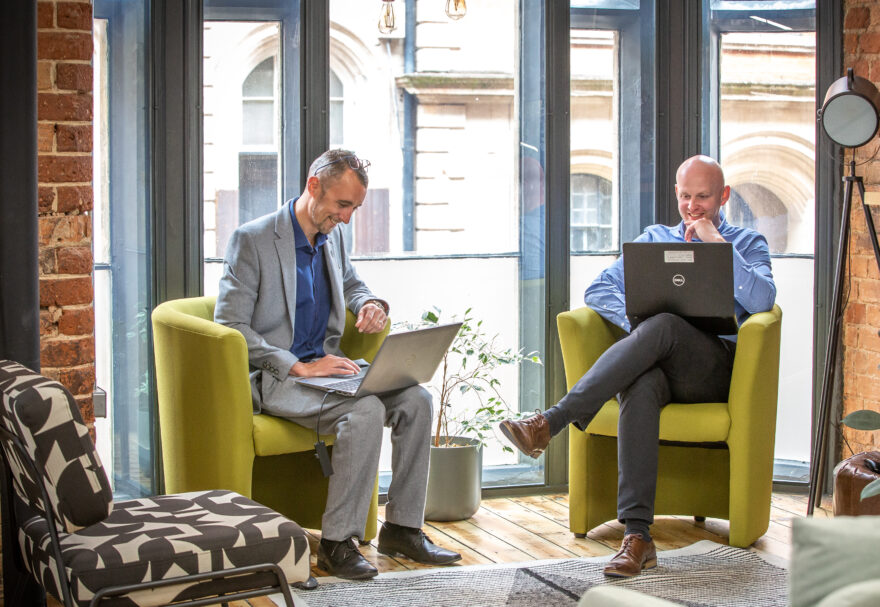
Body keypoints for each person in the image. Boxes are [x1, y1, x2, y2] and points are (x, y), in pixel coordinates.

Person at [500, 155, 776, 578]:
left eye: (703, 197)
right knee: (641, 379)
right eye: (685, 196)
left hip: (713, 371)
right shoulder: (656, 238)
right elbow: (599, 288)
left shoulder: (747, 242)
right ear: (676, 194)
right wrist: (638, 329)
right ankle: (637, 535)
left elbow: (761, 302)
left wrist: (716, 245)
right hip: (661, 366)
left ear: (722, 196)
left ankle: (551, 421)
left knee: (662, 325)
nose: (692, 206)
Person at [215, 149, 461, 580]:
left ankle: (403, 528)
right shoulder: (252, 240)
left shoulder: (335, 235)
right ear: (314, 187)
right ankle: (336, 543)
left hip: (334, 370)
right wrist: (296, 366)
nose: (347, 218)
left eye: (355, 208)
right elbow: (230, 326)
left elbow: (350, 281)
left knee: (417, 401)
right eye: (342, 205)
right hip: (282, 378)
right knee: (365, 409)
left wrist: (369, 304)